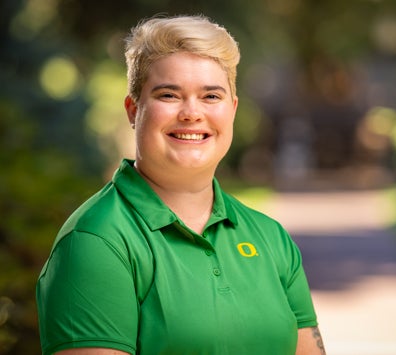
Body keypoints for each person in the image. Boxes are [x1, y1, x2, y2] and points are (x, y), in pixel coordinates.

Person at [36, 14, 326, 355]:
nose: (192, 113)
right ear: (133, 110)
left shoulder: (270, 237)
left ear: (232, 110)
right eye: (169, 95)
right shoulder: (95, 242)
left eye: (211, 97)